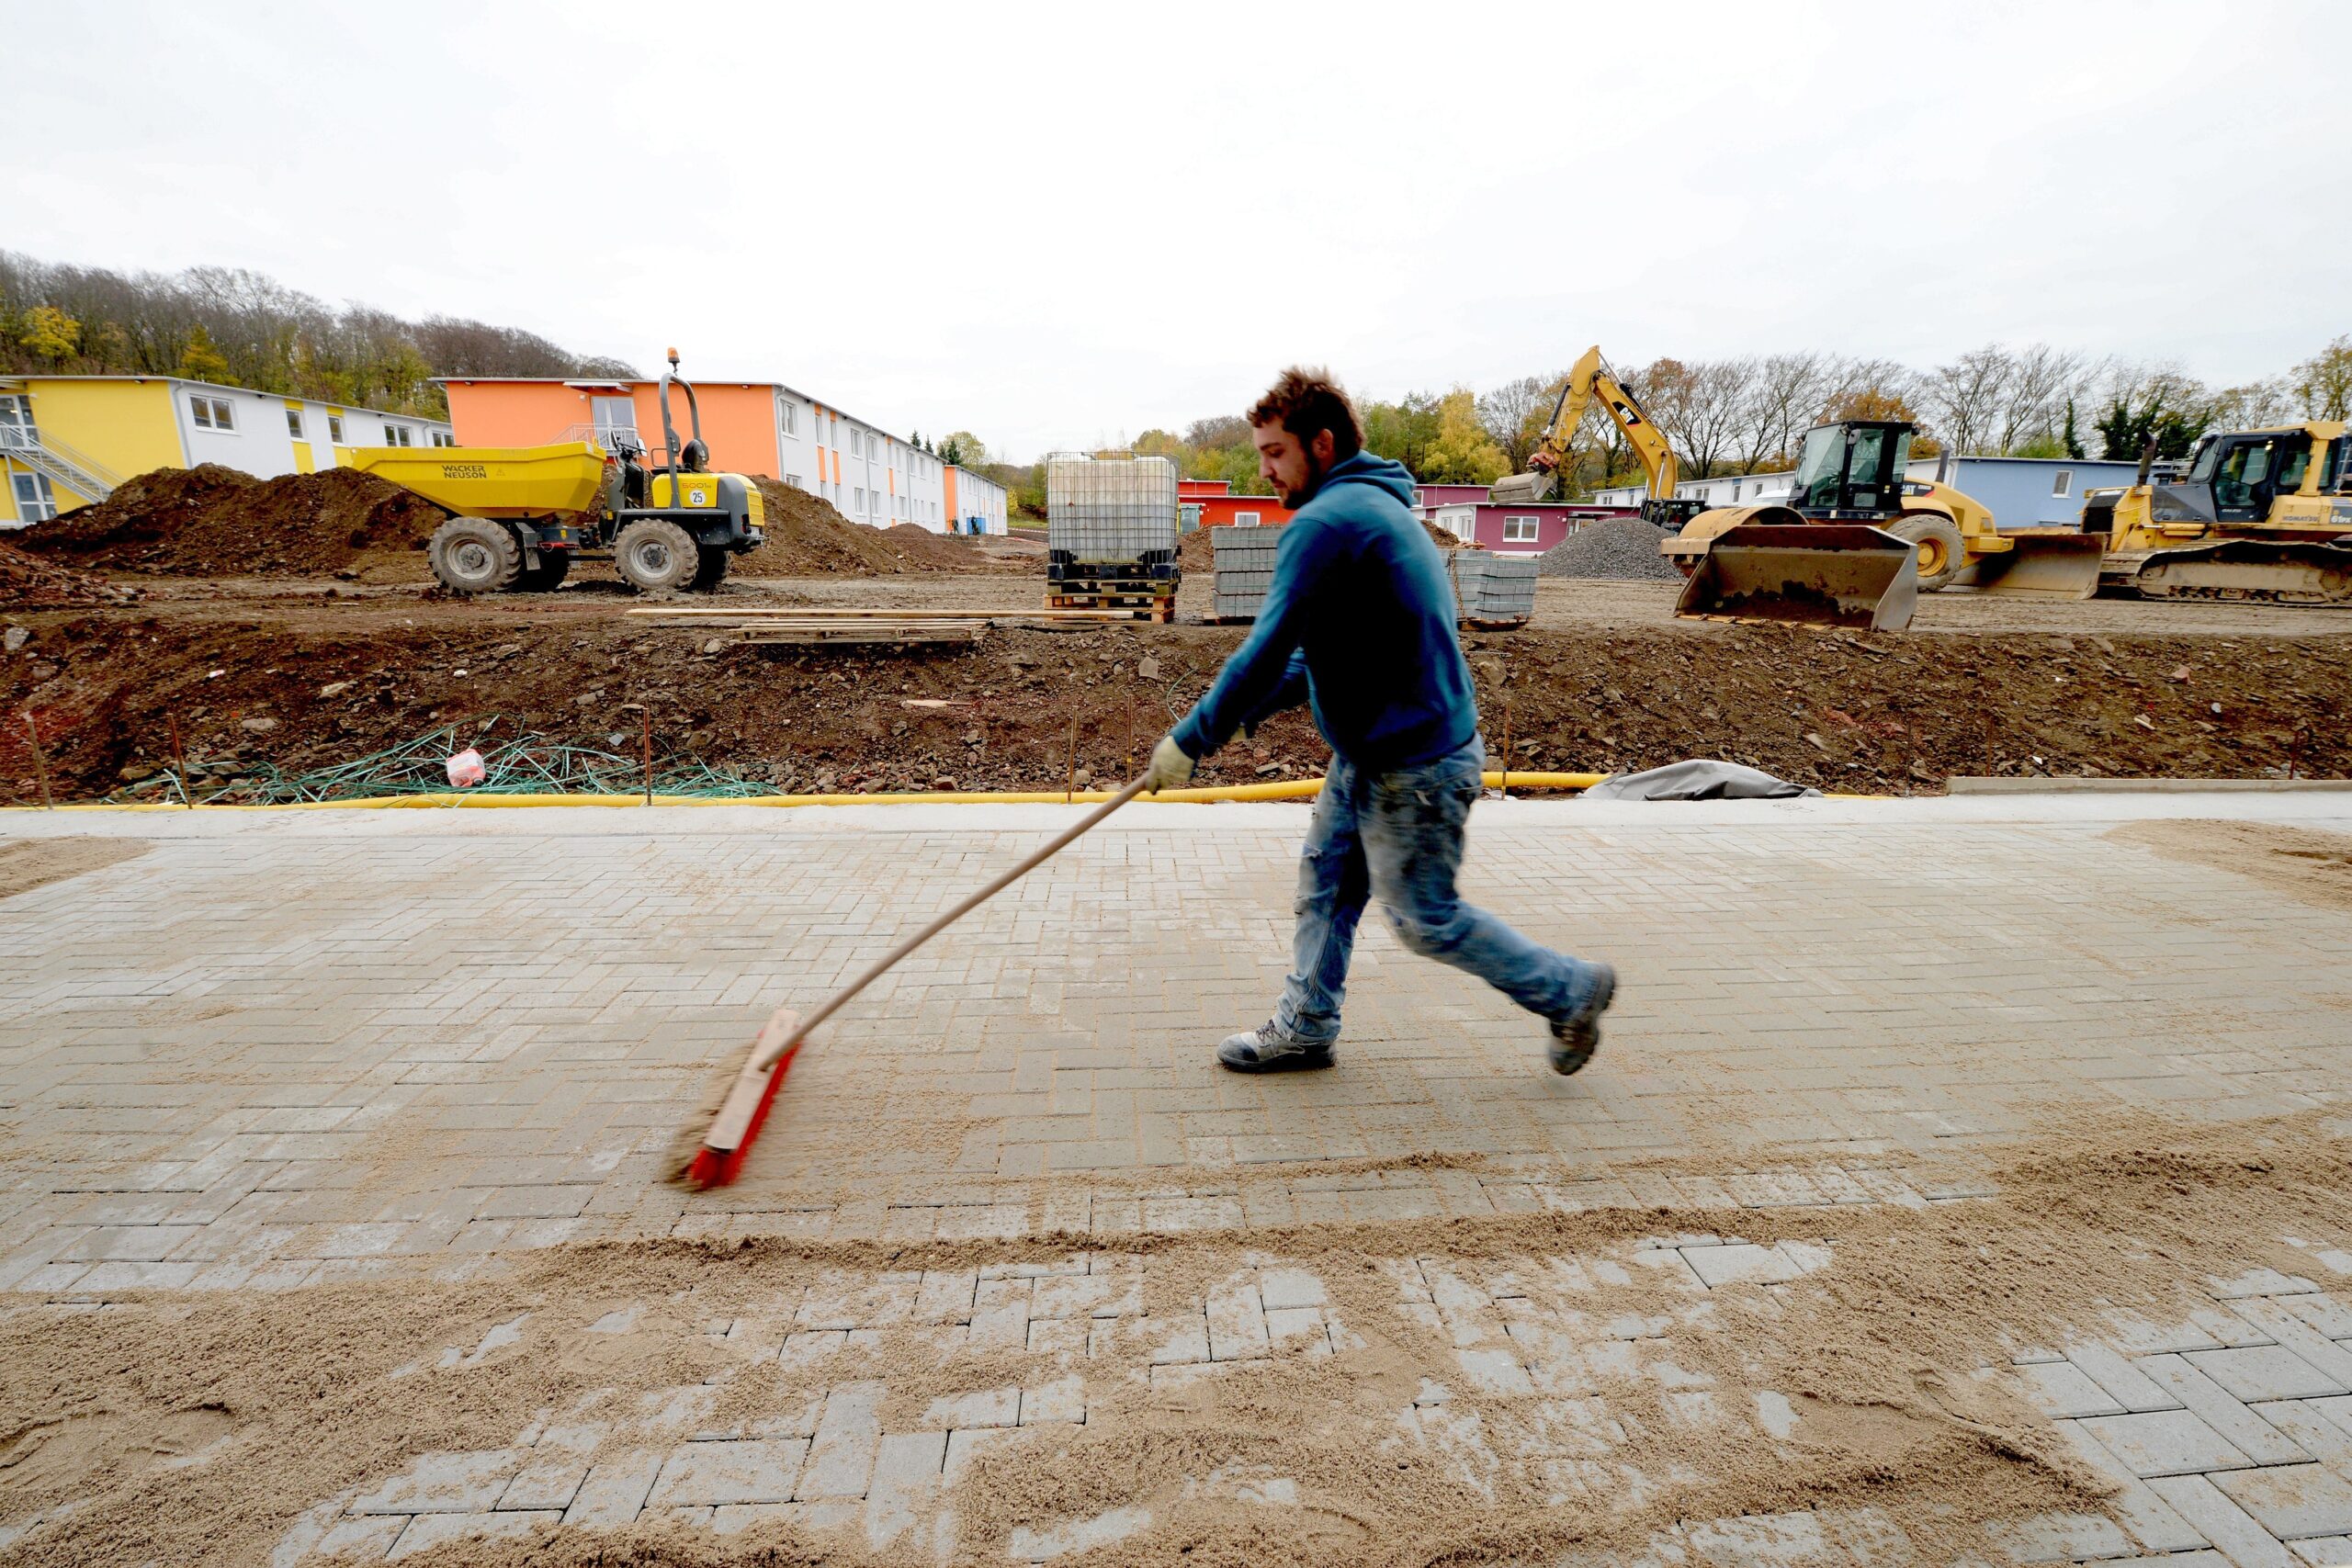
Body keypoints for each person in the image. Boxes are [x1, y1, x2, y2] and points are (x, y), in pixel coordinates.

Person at [1141, 367, 1615, 1075]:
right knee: (1326, 882)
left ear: (1321, 444)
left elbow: (1264, 647)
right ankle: (1305, 1023)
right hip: (1372, 753)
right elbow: (1308, 657)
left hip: (1415, 765)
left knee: (1425, 918)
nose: (1263, 468)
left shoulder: (1329, 523)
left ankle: (1571, 990)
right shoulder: (1371, 508)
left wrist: (1190, 738)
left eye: (1274, 452)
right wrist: (1239, 720)